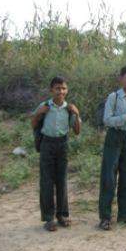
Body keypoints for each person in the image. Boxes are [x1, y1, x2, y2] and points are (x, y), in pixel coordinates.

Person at [31, 76, 81, 231]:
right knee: (46, 181)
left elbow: (77, 131)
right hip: (47, 144)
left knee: (62, 180)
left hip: (62, 144)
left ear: (67, 90)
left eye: (64, 88)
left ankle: (62, 215)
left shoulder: (69, 108)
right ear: (51, 90)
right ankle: (48, 219)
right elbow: (33, 124)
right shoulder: (45, 106)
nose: (61, 91)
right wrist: (39, 113)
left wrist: (77, 114)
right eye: (57, 88)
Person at [98, 66, 126, 231]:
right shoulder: (114, 97)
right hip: (114, 137)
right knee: (109, 178)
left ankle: (124, 215)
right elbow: (107, 120)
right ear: (121, 79)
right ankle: (105, 217)